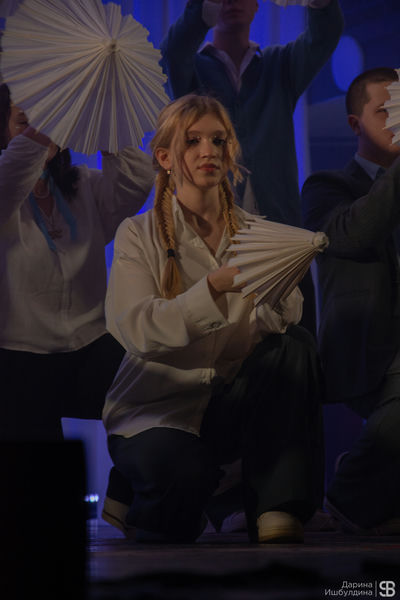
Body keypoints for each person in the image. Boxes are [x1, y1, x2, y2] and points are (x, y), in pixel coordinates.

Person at [102, 93, 324, 544]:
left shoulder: (255, 232)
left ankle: (278, 506)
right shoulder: (138, 233)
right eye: (193, 141)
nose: (209, 151)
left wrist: (281, 281)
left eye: (218, 140)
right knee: (179, 495)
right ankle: (137, 487)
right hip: (156, 410)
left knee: (294, 345)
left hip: (225, 404)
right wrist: (214, 287)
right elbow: (136, 327)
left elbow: (280, 323)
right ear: (165, 158)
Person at [0, 83, 155, 441]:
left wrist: (101, 120)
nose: (42, 128)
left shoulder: (82, 184)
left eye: (51, 119)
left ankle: (128, 480)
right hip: (18, 356)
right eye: (24, 121)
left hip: (90, 344)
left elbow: (137, 179)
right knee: (40, 466)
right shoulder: (5, 184)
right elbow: (15, 170)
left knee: (155, 403)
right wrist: (48, 118)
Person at [301, 67, 400, 534]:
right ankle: (350, 494)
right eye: (386, 111)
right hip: (368, 345)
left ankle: (374, 487)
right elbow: (352, 235)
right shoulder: (326, 186)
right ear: (354, 124)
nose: (397, 121)